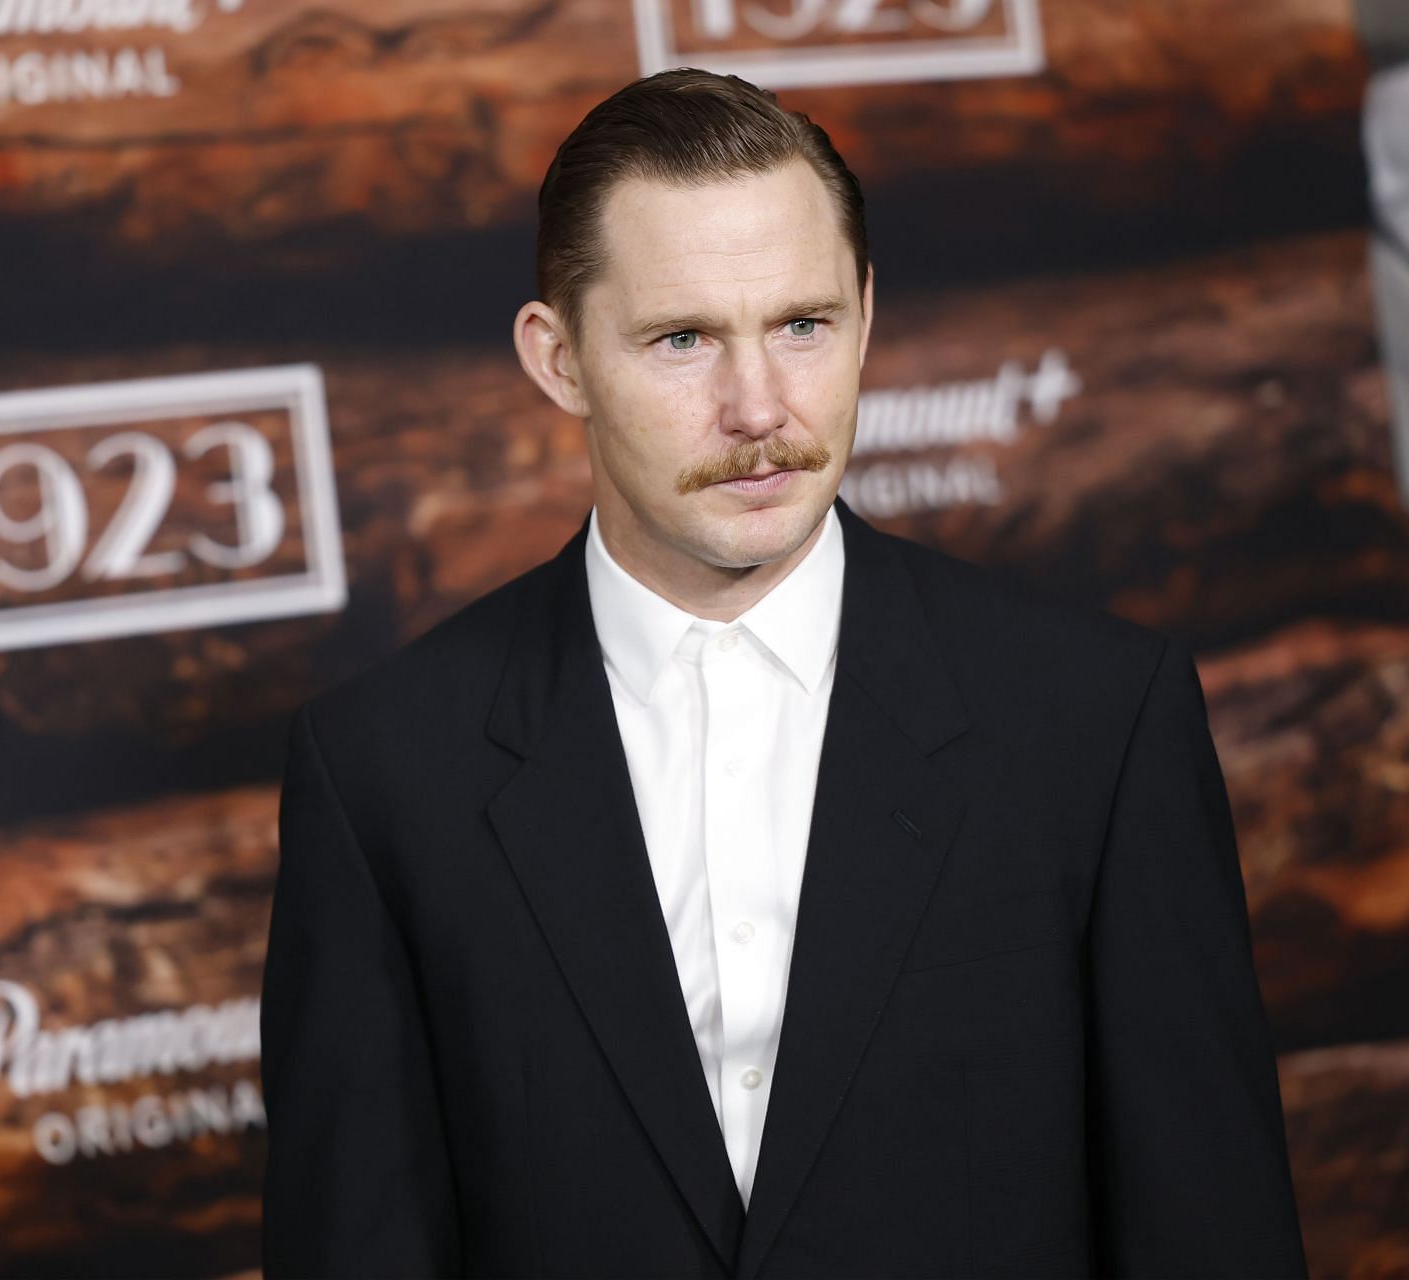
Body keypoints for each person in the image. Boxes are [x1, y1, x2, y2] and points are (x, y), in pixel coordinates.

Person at [260, 68, 1306, 1278]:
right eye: (683, 338)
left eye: (802, 325)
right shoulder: (383, 772)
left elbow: (1211, 1232)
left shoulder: (1094, 722)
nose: (759, 407)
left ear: (866, 313)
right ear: (559, 361)